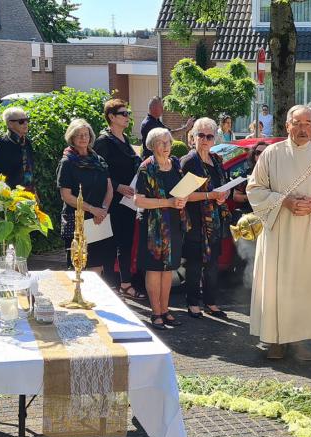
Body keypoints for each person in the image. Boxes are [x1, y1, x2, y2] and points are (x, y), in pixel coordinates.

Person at [247, 105, 311, 361]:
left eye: (308, 123)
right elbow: (254, 189)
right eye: (297, 123)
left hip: (308, 231)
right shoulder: (272, 153)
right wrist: (284, 201)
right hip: (278, 231)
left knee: (304, 285)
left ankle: (297, 339)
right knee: (277, 286)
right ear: (287, 126)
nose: (303, 128)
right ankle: (274, 340)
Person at [134, 128, 187, 330]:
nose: (166, 147)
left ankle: (165, 310)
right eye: (161, 143)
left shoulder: (175, 164)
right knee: (155, 269)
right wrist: (169, 202)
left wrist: (181, 201)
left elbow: (180, 193)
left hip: (173, 223)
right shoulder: (146, 168)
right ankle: (155, 313)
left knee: (168, 270)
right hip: (153, 227)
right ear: (152, 145)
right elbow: (139, 200)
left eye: (168, 142)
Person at [180, 118, 231, 319]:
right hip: (194, 221)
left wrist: (223, 196)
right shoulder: (189, 161)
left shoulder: (217, 160)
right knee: (193, 265)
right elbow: (182, 195)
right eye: (201, 135)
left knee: (212, 265)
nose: (205, 139)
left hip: (214, 222)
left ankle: (211, 302)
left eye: (209, 136)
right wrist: (211, 196)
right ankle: (193, 303)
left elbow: (224, 186)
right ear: (193, 137)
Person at [93, 99, 145, 299]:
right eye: (123, 113)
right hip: (111, 201)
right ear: (111, 117)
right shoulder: (103, 141)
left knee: (125, 243)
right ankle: (111, 286)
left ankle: (125, 284)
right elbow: (98, 173)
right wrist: (118, 187)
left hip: (128, 202)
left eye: (127, 113)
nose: (127, 117)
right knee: (110, 244)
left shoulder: (124, 138)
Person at [57, 119, 114, 275]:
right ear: (72, 138)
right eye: (79, 135)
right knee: (78, 266)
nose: (83, 138)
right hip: (77, 220)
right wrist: (93, 210)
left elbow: (109, 188)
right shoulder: (67, 162)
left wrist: (102, 211)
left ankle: (94, 299)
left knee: (97, 266)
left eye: (86, 134)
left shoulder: (99, 160)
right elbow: (66, 196)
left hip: (98, 220)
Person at [0, 106, 35, 190]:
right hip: (12, 195)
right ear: (10, 124)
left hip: (28, 193)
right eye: (21, 121)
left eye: (27, 120)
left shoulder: (26, 142)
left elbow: (30, 170)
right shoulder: (3, 145)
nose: (25, 123)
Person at [232, 141, 269, 212]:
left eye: (264, 153)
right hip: (251, 214)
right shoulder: (246, 175)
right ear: (254, 156)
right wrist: (252, 197)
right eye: (258, 153)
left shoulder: (276, 173)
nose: (261, 155)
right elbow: (236, 196)